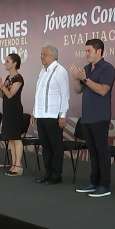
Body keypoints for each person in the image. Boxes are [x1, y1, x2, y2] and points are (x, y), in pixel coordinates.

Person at [70, 39, 115, 197]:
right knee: (92, 151)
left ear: (99, 51)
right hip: (87, 117)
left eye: (89, 50)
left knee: (102, 151)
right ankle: (94, 181)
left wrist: (85, 79)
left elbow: (103, 90)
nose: (86, 54)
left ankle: (105, 185)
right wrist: (77, 79)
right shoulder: (86, 69)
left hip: (100, 116)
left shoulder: (107, 68)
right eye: (85, 51)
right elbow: (78, 91)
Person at [32, 45, 70, 185]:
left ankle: (56, 175)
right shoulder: (43, 71)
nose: (41, 56)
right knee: (45, 146)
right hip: (41, 115)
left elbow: (65, 94)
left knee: (55, 146)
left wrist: (62, 115)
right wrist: (34, 112)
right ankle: (48, 173)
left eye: (45, 54)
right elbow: (39, 95)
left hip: (53, 116)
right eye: (41, 54)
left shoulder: (60, 71)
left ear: (53, 56)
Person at [0, 53, 24, 176]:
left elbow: (11, 94)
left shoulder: (18, 78)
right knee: (10, 138)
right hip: (7, 110)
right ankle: (13, 164)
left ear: (14, 63)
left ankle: (18, 165)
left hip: (15, 111)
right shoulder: (7, 78)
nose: (5, 63)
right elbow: (2, 95)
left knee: (16, 138)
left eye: (7, 61)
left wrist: (1, 83)